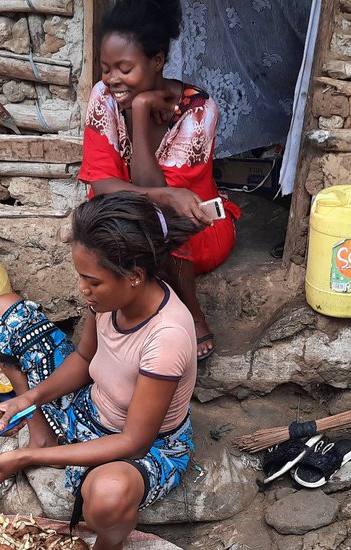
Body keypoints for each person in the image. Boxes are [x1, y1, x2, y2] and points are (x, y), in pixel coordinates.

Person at [0, 192, 201, 550]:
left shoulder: (167, 338)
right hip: (89, 407)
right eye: (81, 277)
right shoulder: (111, 300)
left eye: (93, 281)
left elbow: (133, 442)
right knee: (3, 311)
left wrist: (21, 460)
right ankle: (44, 436)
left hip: (145, 447)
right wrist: (26, 401)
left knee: (106, 497)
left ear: (134, 275)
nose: (83, 290)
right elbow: (83, 358)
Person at [79, 0, 239, 362]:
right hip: (131, 216)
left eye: (124, 68)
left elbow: (162, 200)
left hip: (196, 232)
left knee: (161, 221)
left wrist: (137, 117)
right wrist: (139, 109)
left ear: (157, 61)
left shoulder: (199, 111)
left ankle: (192, 314)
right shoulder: (103, 98)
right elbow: (103, 183)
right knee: (108, 213)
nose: (111, 80)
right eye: (106, 69)